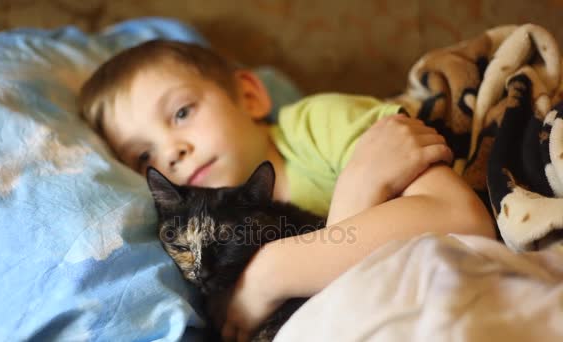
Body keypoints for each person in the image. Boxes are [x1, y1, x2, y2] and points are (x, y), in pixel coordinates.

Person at [79, 39, 495, 342]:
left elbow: (465, 219)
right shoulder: (197, 247)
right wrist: (356, 200)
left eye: (182, 112)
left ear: (249, 95)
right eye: (143, 155)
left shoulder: (317, 126)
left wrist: (273, 273)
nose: (171, 152)